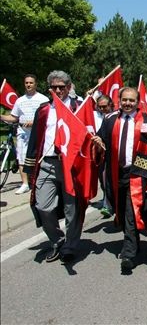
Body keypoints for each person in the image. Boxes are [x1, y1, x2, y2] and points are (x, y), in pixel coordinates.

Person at [92, 87, 147, 273]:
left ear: (138, 102)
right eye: (125, 100)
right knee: (120, 210)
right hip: (116, 173)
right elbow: (102, 139)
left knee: (131, 212)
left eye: (131, 100)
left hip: (137, 173)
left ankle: (129, 254)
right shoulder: (110, 119)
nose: (128, 103)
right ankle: (133, 240)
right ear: (119, 101)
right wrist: (98, 142)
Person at [23, 70, 83, 263]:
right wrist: (29, 167)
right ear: (50, 89)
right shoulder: (43, 110)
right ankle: (57, 240)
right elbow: (35, 139)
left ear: (68, 87)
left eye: (62, 87)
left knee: (71, 208)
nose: (59, 90)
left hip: (70, 165)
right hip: (46, 163)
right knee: (43, 206)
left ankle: (70, 246)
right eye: (55, 87)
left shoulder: (78, 108)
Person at [0, 74, 48, 194]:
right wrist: (1, 116)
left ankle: (38, 181)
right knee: (21, 157)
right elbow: (13, 117)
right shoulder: (20, 100)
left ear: (35, 84)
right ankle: (25, 184)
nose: (28, 85)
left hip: (38, 133)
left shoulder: (43, 99)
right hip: (23, 133)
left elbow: (48, 117)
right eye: (26, 83)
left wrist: (34, 122)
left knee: (38, 157)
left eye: (31, 83)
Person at [93, 95, 114, 218]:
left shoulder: (116, 116)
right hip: (101, 154)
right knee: (104, 181)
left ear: (111, 105)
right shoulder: (93, 116)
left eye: (105, 106)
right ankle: (108, 201)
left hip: (116, 155)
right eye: (99, 107)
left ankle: (110, 205)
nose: (102, 109)